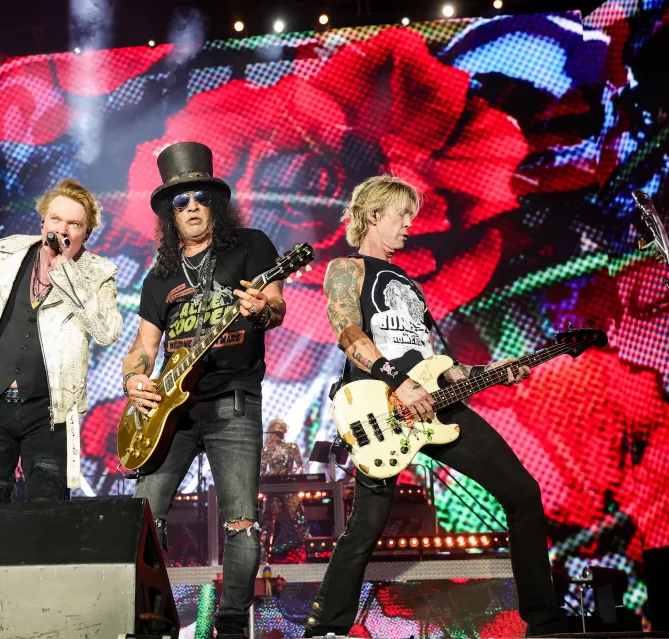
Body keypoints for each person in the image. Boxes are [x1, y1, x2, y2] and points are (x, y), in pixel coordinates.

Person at [304, 175, 564, 637]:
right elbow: (347, 333)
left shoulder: (410, 285)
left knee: (523, 493)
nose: (409, 225)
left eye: (411, 217)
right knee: (367, 524)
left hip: (433, 404)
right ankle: (328, 625)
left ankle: (544, 622)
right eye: (402, 216)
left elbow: (435, 364)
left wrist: (489, 370)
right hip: (379, 408)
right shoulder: (348, 269)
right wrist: (396, 382)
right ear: (373, 215)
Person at [122, 141, 287, 638]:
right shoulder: (160, 278)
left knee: (241, 521)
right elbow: (143, 348)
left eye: (200, 197)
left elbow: (276, 307)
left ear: (215, 203)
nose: (192, 206)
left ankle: (231, 624)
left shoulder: (250, 246)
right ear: (169, 215)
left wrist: (262, 308)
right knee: (142, 517)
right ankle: (152, 620)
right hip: (170, 412)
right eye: (180, 201)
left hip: (233, 399)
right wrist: (134, 379)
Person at [0, 178, 122, 503]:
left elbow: (107, 331)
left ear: (87, 233)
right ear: (43, 221)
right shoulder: (8, 252)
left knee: (46, 510)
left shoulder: (97, 273)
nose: (63, 228)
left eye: (74, 223)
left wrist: (66, 274)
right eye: (56, 219)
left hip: (50, 412)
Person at [260, 419, 309, 564]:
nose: (279, 434)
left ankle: (308, 552)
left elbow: (301, 466)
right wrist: (268, 477)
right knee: (266, 523)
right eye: (277, 431)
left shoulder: (291, 447)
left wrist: (293, 476)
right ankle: (263, 557)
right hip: (272, 488)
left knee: (300, 520)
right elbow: (262, 470)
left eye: (281, 431)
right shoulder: (266, 449)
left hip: (288, 487)